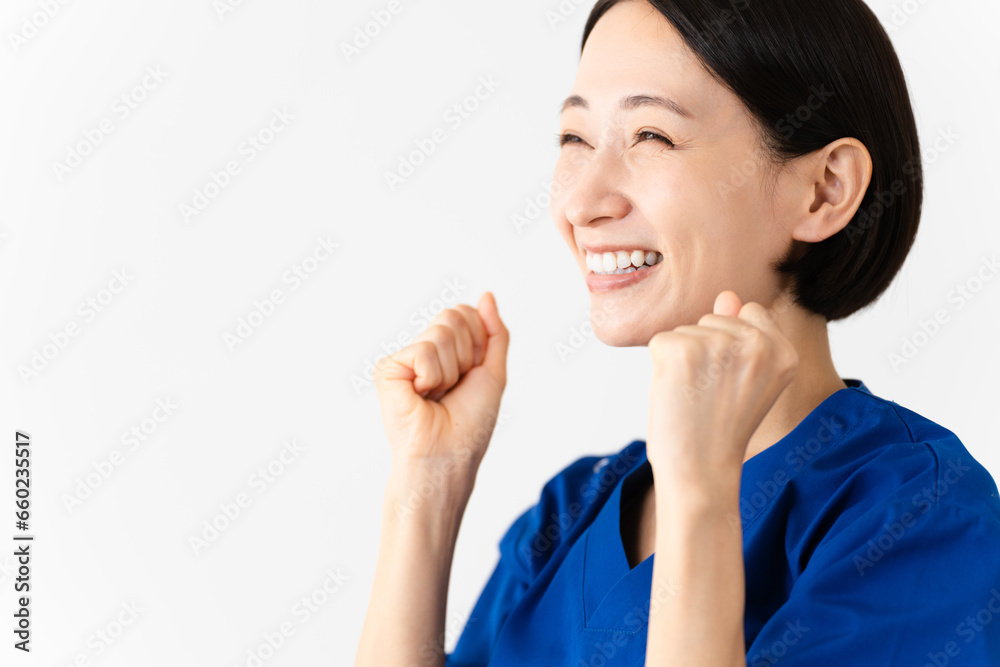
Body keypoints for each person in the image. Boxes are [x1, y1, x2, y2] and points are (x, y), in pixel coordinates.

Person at [355, 0, 1000, 664]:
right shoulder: (571, 511)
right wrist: (427, 486)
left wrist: (701, 496)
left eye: (651, 136)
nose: (582, 202)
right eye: (575, 139)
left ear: (825, 189)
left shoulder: (917, 510)